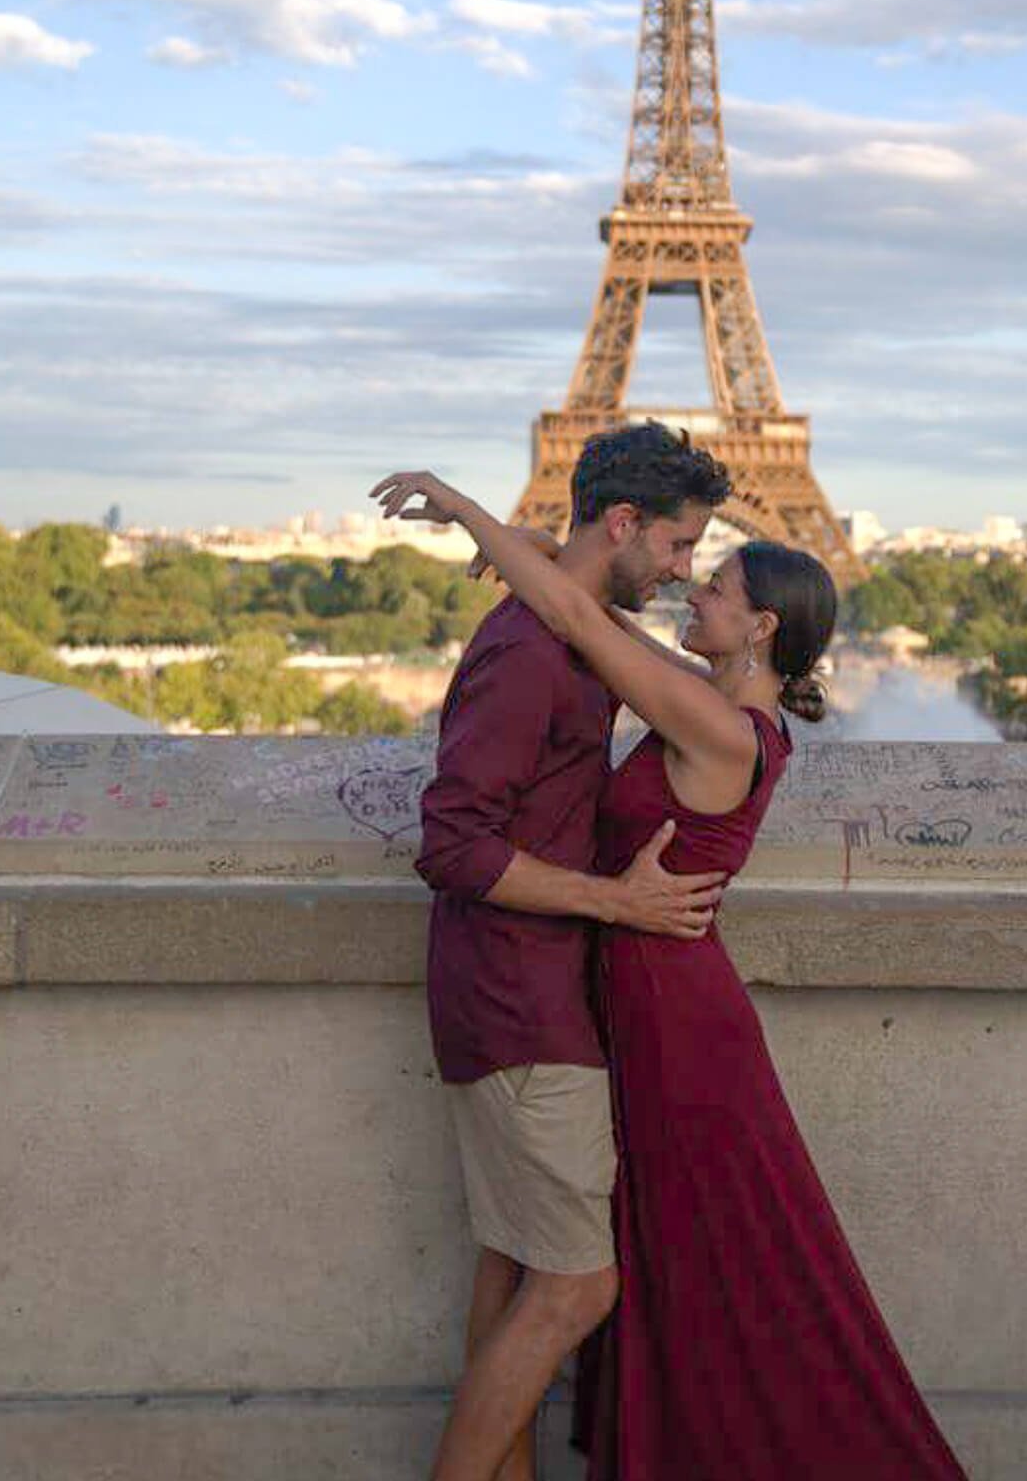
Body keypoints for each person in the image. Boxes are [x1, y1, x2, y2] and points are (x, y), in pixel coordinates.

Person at [371, 465, 971, 1481]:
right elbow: (572, 601)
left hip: (672, 1019)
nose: (693, 588)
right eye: (690, 560)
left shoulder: (718, 726)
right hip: (630, 1000)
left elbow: (573, 606)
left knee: (654, 1264)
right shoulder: (706, 696)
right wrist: (523, 543)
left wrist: (468, 508)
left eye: (716, 583)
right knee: (617, 1262)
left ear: (761, 627)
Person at [372, 423, 732, 1481]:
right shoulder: (532, 653)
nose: (679, 570)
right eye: (674, 545)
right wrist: (614, 900)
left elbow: (569, 590)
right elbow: (452, 843)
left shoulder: (564, 629)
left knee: (517, 1269)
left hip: (518, 992)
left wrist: (501, 526)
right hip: (525, 1002)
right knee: (579, 1284)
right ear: (622, 522)